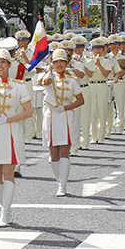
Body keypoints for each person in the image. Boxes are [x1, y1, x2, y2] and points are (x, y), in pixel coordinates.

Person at [0, 49, 33, 227]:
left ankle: (5, 211)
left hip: (10, 129)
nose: (0, 65)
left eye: (3, 62)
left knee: (9, 172)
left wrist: (9, 119)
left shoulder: (19, 86)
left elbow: (28, 112)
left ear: (10, 65)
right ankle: (5, 206)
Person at [40, 49, 84, 196]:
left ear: (67, 63)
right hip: (51, 116)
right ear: (52, 64)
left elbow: (80, 100)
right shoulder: (48, 76)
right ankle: (59, 179)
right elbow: (44, 82)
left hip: (65, 116)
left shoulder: (72, 81)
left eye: (62, 61)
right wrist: (49, 74)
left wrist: (65, 107)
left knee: (65, 151)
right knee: (53, 152)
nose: (59, 64)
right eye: (56, 61)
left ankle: (63, 185)